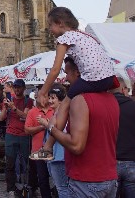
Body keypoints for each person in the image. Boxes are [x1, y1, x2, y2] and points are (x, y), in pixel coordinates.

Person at [36, 7, 118, 158]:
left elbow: (55, 69)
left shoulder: (64, 39)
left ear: (60, 23)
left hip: (93, 77)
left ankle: (48, 147)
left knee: (64, 105)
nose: (49, 30)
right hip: (108, 77)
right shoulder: (84, 35)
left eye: (50, 25)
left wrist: (43, 91)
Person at [38, 56, 120, 198]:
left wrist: (51, 129)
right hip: (109, 178)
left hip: (86, 180)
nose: (66, 78)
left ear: (78, 72)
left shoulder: (80, 100)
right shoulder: (112, 99)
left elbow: (76, 146)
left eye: (67, 73)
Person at [1, 78, 33, 197]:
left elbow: (26, 116)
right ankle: (11, 188)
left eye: (19, 87)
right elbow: (1, 118)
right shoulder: (9, 101)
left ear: (24, 88)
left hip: (24, 135)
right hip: (11, 135)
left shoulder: (28, 101)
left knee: (28, 163)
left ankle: (29, 186)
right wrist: (5, 108)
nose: (17, 89)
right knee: (10, 163)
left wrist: (14, 108)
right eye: (15, 87)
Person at [42, 86, 71, 198]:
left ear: (60, 100)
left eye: (53, 98)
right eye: (49, 97)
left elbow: (62, 134)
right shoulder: (56, 114)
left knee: (62, 188)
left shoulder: (62, 115)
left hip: (60, 157)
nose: (50, 100)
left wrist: (47, 125)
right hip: (55, 157)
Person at [25, 92, 54, 198]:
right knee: (42, 178)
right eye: (41, 96)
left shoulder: (54, 110)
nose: (43, 99)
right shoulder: (32, 112)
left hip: (54, 150)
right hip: (38, 150)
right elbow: (27, 130)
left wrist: (47, 124)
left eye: (45, 96)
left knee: (57, 178)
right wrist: (42, 127)